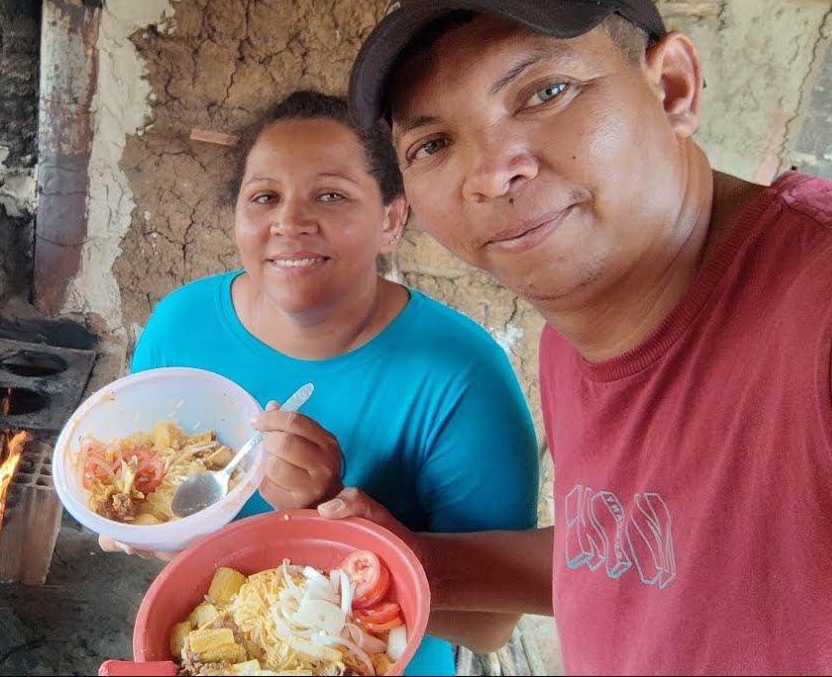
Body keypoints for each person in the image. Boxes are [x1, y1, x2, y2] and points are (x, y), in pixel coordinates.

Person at [317, 0, 832, 674]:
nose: (491, 173)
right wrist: (395, 557)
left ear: (672, 88)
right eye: (433, 144)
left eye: (546, 91)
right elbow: (631, 560)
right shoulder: (573, 335)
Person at [117, 89, 541, 674]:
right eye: (264, 197)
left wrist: (325, 520)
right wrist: (154, 535)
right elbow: (172, 529)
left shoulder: (462, 375)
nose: (290, 222)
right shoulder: (178, 328)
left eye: (331, 195)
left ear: (391, 219)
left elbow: (491, 626)